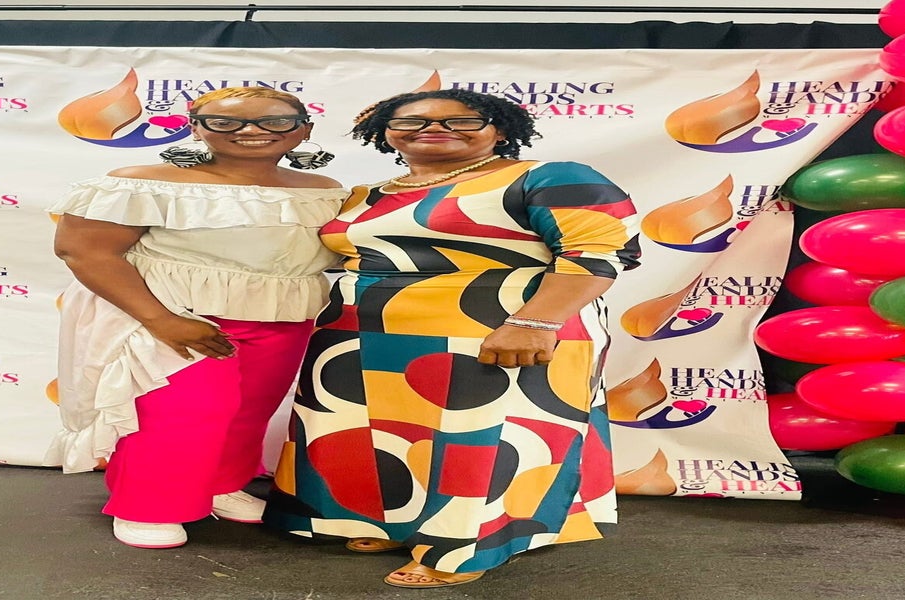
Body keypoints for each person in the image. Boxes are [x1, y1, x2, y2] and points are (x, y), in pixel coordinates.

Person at [263, 88, 641, 588]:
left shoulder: (549, 176)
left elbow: (598, 251)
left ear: (500, 130)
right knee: (380, 433)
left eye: (461, 120)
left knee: (479, 439)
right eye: (412, 121)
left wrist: (536, 323)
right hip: (363, 330)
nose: (434, 129)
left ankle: (467, 547)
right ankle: (393, 522)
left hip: (497, 324)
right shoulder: (368, 194)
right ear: (385, 132)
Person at [45, 87, 346, 549]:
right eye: (226, 122)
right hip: (175, 314)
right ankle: (146, 506)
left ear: (304, 130)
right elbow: (82, 251)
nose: (251, 131)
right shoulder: (141, 182)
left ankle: (221, 486)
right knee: (181, 414)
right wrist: (162, 320)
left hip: (284, 317)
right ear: (196, 128)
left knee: (249, 411)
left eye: (274, 121)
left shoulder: (323, 190)